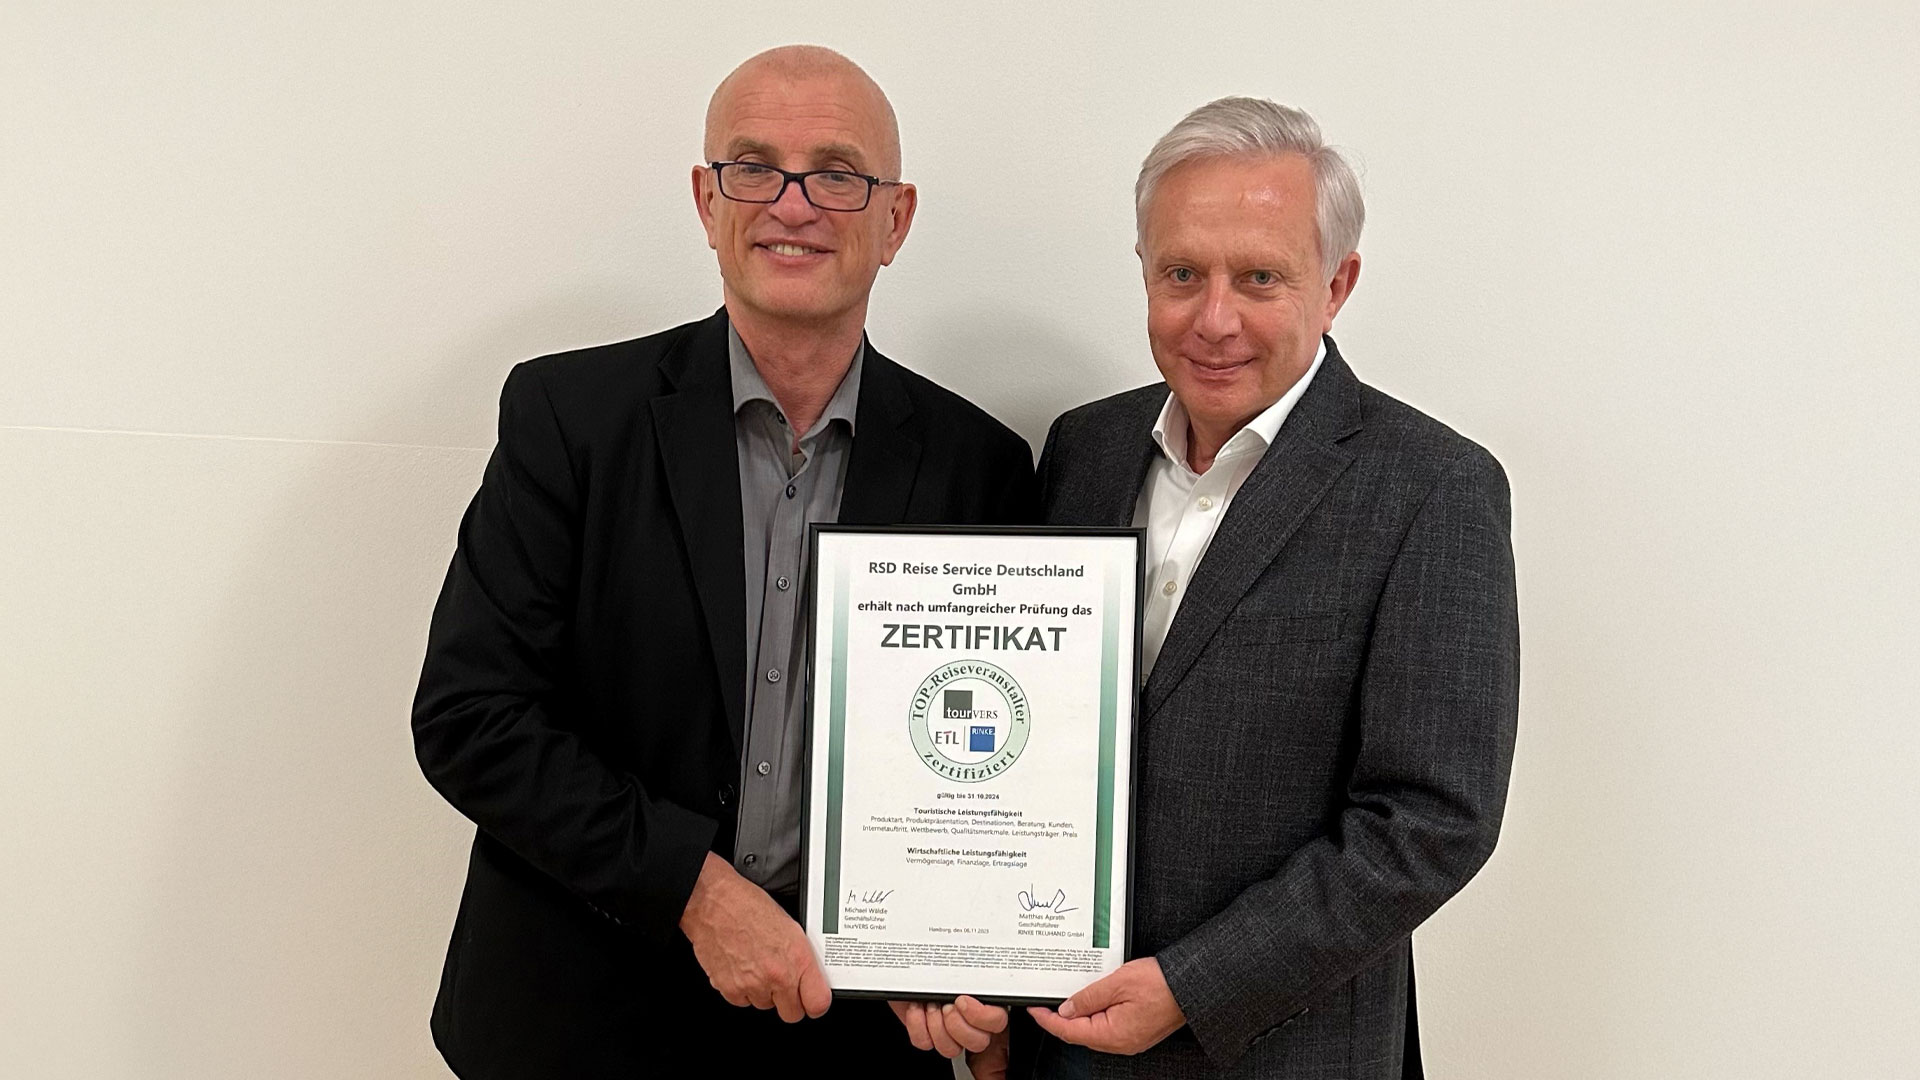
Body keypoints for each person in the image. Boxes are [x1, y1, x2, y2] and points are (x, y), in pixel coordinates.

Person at [411, 45, 1036, 1078]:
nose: (793, 204)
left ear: (896, 219)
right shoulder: (572, 419)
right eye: (754, 168)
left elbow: (985, 759)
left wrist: (965, 957)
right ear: (708, 203)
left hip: (847, 1031)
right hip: (577, 1020)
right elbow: (470, 719)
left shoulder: (982, 468)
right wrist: (697, 894)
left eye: (838, 173)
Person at [925, 96, 1521, 1079]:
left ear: (1337, 284)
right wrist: (962, 957)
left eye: (1259, 278)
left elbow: (1432, 821)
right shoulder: (1084, 450)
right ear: (1144, 271)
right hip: (1059, 1046)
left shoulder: (1432, 487)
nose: (1214, 319)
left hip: (1283, 1054)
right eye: (1182, 274)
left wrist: (1194, 986)